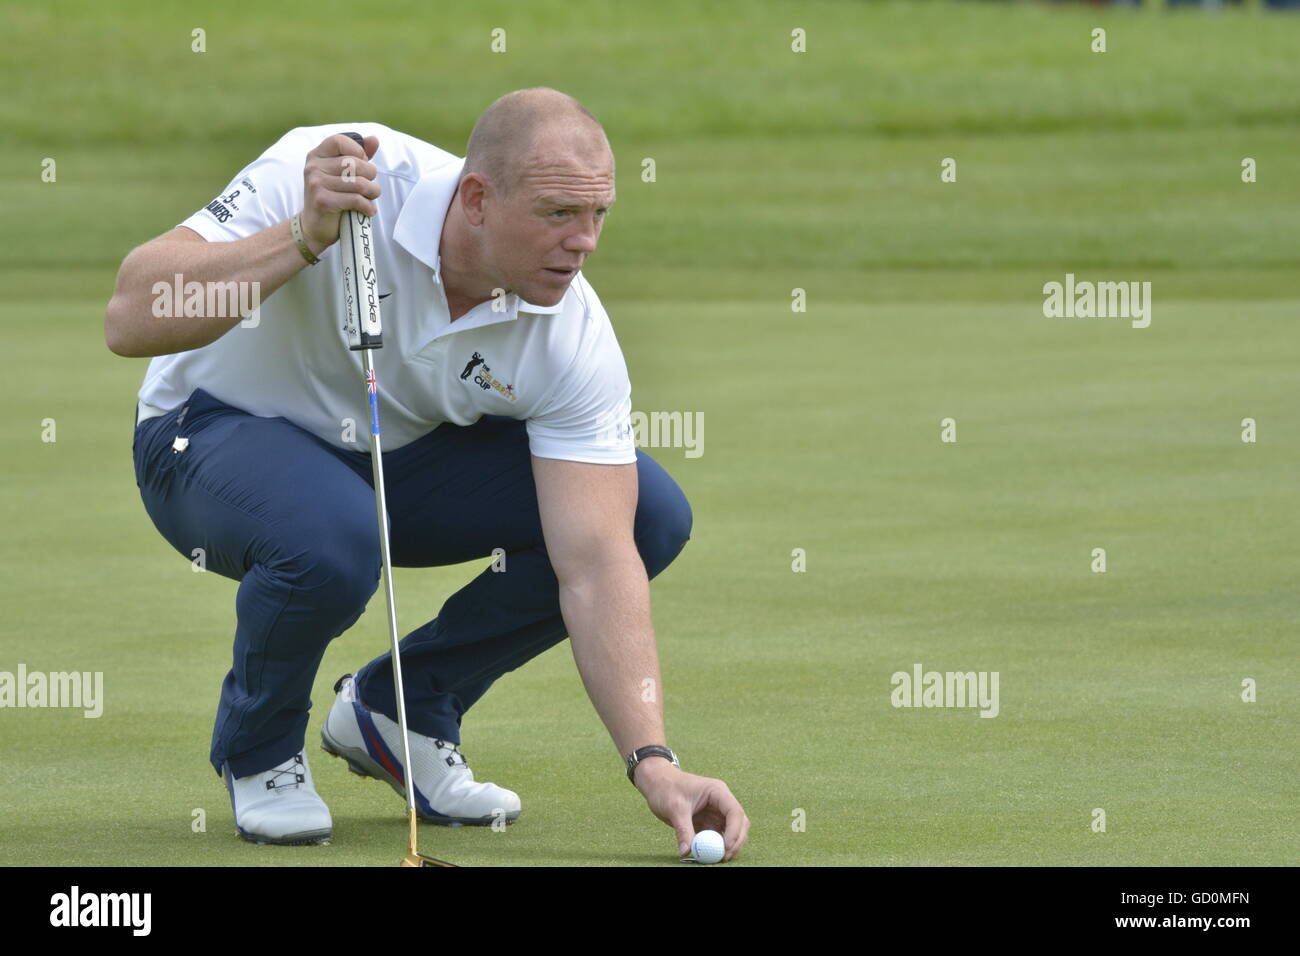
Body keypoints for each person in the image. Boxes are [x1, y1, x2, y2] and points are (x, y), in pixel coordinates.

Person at [106, 87, 750, 862]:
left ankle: (399, 711)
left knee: (649, 517)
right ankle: (260, 751)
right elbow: (132, 315)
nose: (584, 244)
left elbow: (597, 559)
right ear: (476, 198)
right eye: (557, 215)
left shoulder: (571, 330)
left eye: (598, 216)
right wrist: (302, 239)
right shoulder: (338, 171)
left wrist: (653, 762)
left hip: (384, 466)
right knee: (332, 535)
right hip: (203, 436)